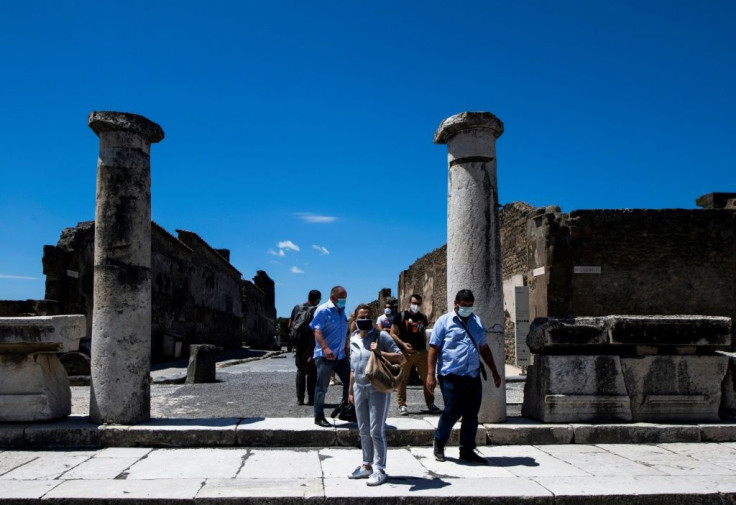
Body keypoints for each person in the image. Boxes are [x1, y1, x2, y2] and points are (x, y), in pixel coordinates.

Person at [426, 289, 502, 465]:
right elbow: (434, 348)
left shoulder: (476, 322)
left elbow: (484, 348)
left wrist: (494, 371)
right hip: (450, 374)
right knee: (452, 410)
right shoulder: (444, 322)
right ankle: (439, 441)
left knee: (471, 414)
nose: (466, 308)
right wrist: (430, 374)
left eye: (469, 306)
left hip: (472, 375)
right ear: (456, 303)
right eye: (463, 305)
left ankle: (467, 450)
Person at [347, 304, 402, 486]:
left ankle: (380, 468)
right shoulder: (353, 338)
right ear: (355, 319)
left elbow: (400, 357)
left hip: (377, 387)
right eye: (361, 316)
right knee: (363, 430)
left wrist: (379, 352)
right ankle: (366, 465)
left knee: (376, 430)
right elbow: (353, 369)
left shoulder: (381, 335)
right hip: (359, 388)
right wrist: (350, 391)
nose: (364, 319)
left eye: (367, 316)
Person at [390, 294, 440, 415]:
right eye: (414, 303)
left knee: (428, 378)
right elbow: (392, 333)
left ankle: (430, 403)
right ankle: (402, 404)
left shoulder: (422, 317)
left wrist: (425, 348)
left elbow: (423, 333)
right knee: (403, 379)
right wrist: (403, 344)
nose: (415, 306)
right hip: (405, 352)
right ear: (409, 303)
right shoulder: (400, 316)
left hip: (421, 352)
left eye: (418, 304)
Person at [310, 285, 351, 427]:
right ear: (333, 297)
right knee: (322, 387)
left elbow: (343, 331)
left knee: (350, 382)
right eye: (342, 298)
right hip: (324, 356)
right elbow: (317, 330)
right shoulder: (323, 310)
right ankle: (319, 416)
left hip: (341, 356)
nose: (344, 301)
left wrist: (345, 347)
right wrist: (325, 348)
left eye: (345, 298)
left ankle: (345, 409)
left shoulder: (342, 310)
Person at [288, 289, 321, 406]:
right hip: (312, 344)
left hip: (299, 344)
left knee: (300, 371)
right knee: (312, 372)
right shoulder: (317, 310)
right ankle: (311, 399)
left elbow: (290, 325)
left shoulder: (297, 307)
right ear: (317, 299)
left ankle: (299, 399)